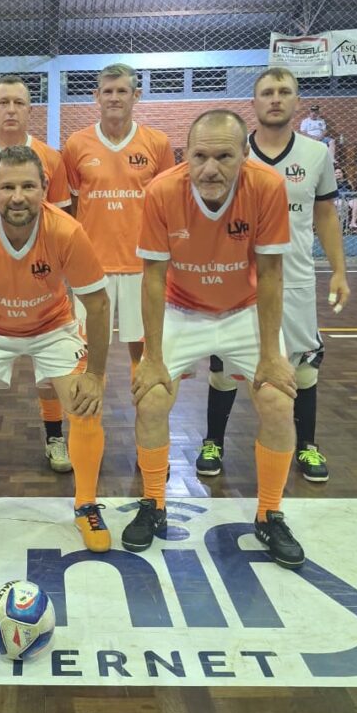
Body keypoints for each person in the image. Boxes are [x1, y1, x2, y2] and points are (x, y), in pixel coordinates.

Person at [125, 108, 303, 568]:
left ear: (245, 155)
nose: (210, 168)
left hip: (244, 309)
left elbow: (270, 273)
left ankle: (269, 514)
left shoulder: (267, 187)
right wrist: (152, 356)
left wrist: (270, 355)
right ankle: (153, 503)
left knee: (278, 400)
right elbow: (152, 278)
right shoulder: (162, 190)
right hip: (181, 308)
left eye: (224, 157)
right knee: (151, 398)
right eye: (200, 156)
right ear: (185, 154)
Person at [0, 144, 110, 554]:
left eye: (28, 186)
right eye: (7, 187)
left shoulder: (65, 230)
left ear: (45, 188)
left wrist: (96, 376)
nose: (17, 197)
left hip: (52, 326)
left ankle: (85, 504)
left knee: (84, 405)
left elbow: (98, 304)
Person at [195, 69, 349, 485]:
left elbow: (325, 215)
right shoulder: (232, 154)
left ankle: (307, 444)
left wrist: (339, 270)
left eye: (284, 92)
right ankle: (213, 442)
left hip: (294, 278)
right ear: (254, 102)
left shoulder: (316, 154)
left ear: (297, 100)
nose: (275, 99)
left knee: (303, 367)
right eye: (267, 92)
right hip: (237, 280)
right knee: (224, 365)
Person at [0, 75, 74, 473]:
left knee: (50, 369)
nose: (10, 110)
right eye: (3, 102)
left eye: (18, 103)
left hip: (41, 281)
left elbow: (62, 220)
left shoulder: (50, 158)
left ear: (29, 109)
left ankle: (55, 436)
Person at [62, 63, 175, 373]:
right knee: (85, 352)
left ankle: (144, 402)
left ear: (136, 95)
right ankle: (90, 405)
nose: (114, 97)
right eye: (108, 91)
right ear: (96, 96)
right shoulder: (76, 144)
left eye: (122, 91)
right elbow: (73, 204)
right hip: (92, 264)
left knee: (144, 351)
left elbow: (167, 203)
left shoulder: (157, 143)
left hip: (141, 263)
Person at [334, 166, 357, 231]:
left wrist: (354, 194)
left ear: (343, 173)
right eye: (336, 173)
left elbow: (352, 190)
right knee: (342, 204)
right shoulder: (332, 182)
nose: (338, 174)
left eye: (340, 172)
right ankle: (342, 225)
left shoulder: (348, 181)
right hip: (338, 198)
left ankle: (352, 223)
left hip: (349, 197)